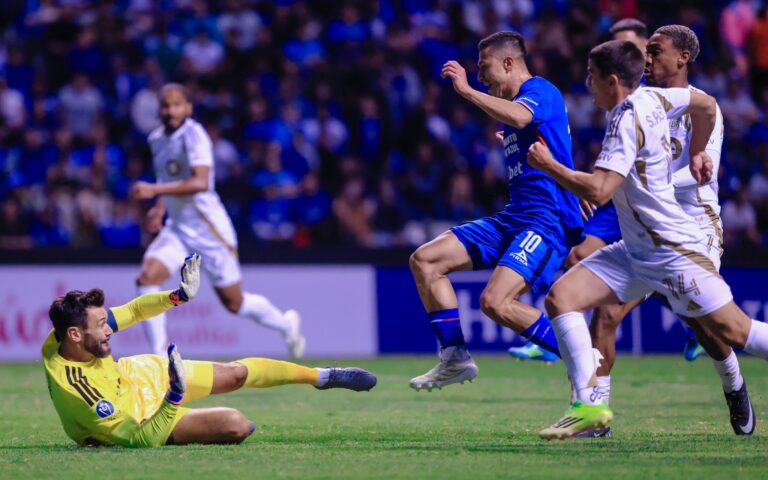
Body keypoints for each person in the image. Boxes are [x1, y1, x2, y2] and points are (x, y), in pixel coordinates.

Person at [527, 40, 768, 440]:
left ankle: (733, 384)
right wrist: (696, 149)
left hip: (672, 251)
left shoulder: (628, 118)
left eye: (591, 77)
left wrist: (550, 166)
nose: (587, 85)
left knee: (734, 332)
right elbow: (706, 104)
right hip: (637, 251)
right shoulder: (657, 97)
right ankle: (589, 404)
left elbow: (601, 191)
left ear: (612, 80)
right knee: (561, 298)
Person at [42, 254, 377, 448]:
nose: (109, 329)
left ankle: (322, 376)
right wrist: (175, 394)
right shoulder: (82, 393)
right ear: (75, 334)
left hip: (136, 374)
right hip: (141, 418)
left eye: (105, 322)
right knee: (237, 425)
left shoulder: (67, 336)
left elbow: (132, 311)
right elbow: (141, 440)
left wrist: (178, 295)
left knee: (235, 374)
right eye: (101, 325)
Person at [408, 31, 584, 391]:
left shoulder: (539, 91)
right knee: (426, 260)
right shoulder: (515, 114)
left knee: (495, 301)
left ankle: (585, 355)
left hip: (545, 220)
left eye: (484, 67)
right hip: (515, 217)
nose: (480, 76)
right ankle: (454, 357)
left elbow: (522, 118)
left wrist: (467, 91)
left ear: (508, 62)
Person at [131, 84, 305, 358]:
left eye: (177, 104)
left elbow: (200, 182)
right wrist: (160, 207)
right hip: (177, 228)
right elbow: (169, 177)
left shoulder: (195, 135)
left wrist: (155, 191)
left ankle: (286, 325)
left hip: (209, 230)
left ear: (188, 108)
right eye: (165, 105)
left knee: (234, 303)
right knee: (147, 278)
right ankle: (159, 356)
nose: (170, 110)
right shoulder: (156, 139)